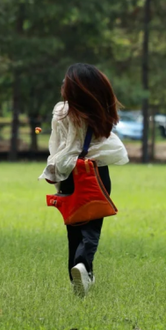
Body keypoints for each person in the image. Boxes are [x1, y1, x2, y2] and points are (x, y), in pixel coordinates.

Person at [40, 63, 128, 296]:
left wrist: (52, 172)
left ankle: (76, 275)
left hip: (69, 172)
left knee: (74, 224)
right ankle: (83, 266)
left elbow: (56, 146)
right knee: (92, 224)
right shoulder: (99, 110)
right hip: (96, 171)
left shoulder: (61, 112)